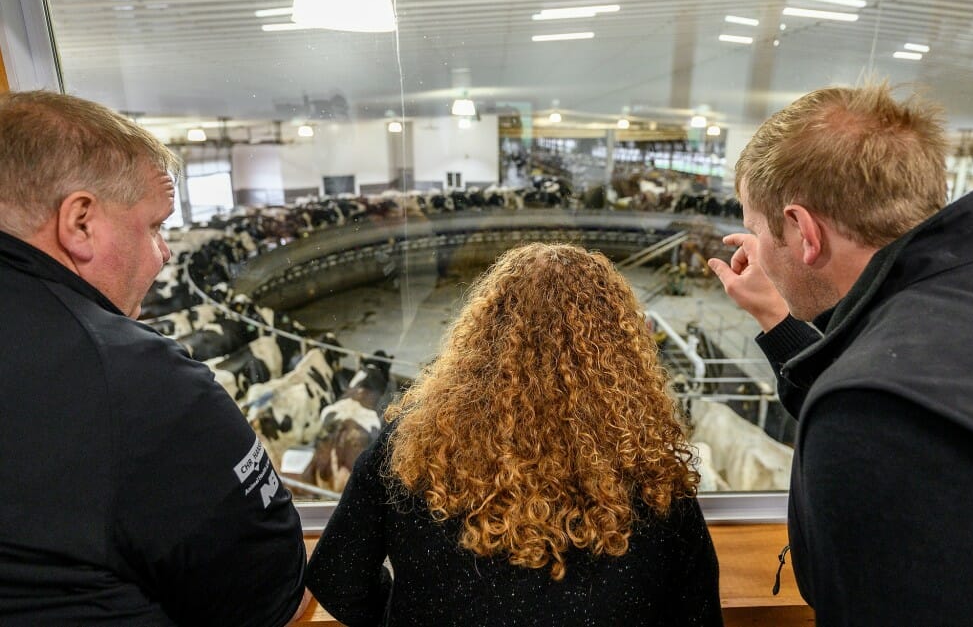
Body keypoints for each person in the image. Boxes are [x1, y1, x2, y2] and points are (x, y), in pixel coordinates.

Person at [707, 82, 973, 625]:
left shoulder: (866, 420)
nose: (754, 247)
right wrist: (775, 316)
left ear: (805, 232)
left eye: (758, 230)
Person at [0, 90, 308, 625]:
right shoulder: (139, 381)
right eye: (154, 225)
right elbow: (275, 595)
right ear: (80, 223)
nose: (165, 252)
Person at [307, 243, 723, 626]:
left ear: (482, 336)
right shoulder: (654, 476)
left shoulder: (411, 447)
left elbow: (336, 577)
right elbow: (698, 614)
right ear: (622, 350)